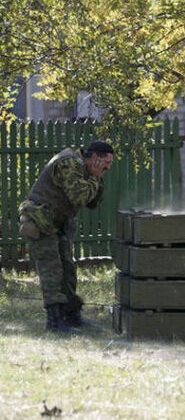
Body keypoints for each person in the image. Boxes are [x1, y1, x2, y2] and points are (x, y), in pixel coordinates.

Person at [18, 140, 114, 332]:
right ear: (95, 158)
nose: (108, 168)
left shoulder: (84, 169)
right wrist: (95, 179)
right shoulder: (69, 163)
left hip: (57, 222)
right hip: (40, 220)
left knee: (68, 270)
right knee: (52, 270)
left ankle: (71, 316)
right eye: (106, 163)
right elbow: (79, 197)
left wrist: (95, 178)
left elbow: (92, 202)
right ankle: (54, 322)